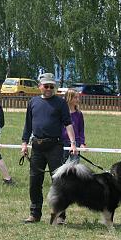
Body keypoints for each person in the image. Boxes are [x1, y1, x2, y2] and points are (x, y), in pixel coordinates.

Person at [21, 73, 77, 224]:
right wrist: (24, 143)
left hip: (55, 147)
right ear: (40, 86)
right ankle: (34, 214)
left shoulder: (60, 103)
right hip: (37, 147)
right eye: (46, 86)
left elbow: (68, 124)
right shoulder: (33, 102)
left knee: (58, 183)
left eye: (52, 86)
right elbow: (28, 125)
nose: (49, 89)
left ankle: (60, 216)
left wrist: (73, 143)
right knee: (34, 182)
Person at [61, 88, 86, 162]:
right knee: (62, 165)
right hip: (63, 142)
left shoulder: (79, 114)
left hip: (76, 142)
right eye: (75, 97)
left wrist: (82, 143)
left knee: (75, 165)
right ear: (69, 98)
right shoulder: (61, 113)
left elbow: (81, 130)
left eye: (78, 97)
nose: (78, 99)